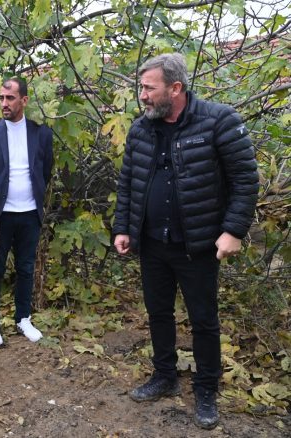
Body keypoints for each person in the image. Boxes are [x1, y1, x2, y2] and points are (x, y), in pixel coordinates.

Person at [113, 53, 258, 430]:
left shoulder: (218, 121)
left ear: (175, 88)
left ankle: (206, 389)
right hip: (152, 242)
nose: (141, 96)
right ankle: (165, 375)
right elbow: (129, 182)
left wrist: (234, 230)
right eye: (140, 87)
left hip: (198, 243)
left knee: (204, 320)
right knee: (158, 313)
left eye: (149, 88)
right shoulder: (141, 129)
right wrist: (123, 228)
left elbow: (245, 179)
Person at [0, 77, 54, 346]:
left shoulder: (41, 133)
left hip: (30, 213)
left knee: (26, 268)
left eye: (10, 98)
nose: (4, 103)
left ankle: (23, 318)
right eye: (1, 98)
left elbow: (45, 170)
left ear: (24, 100)